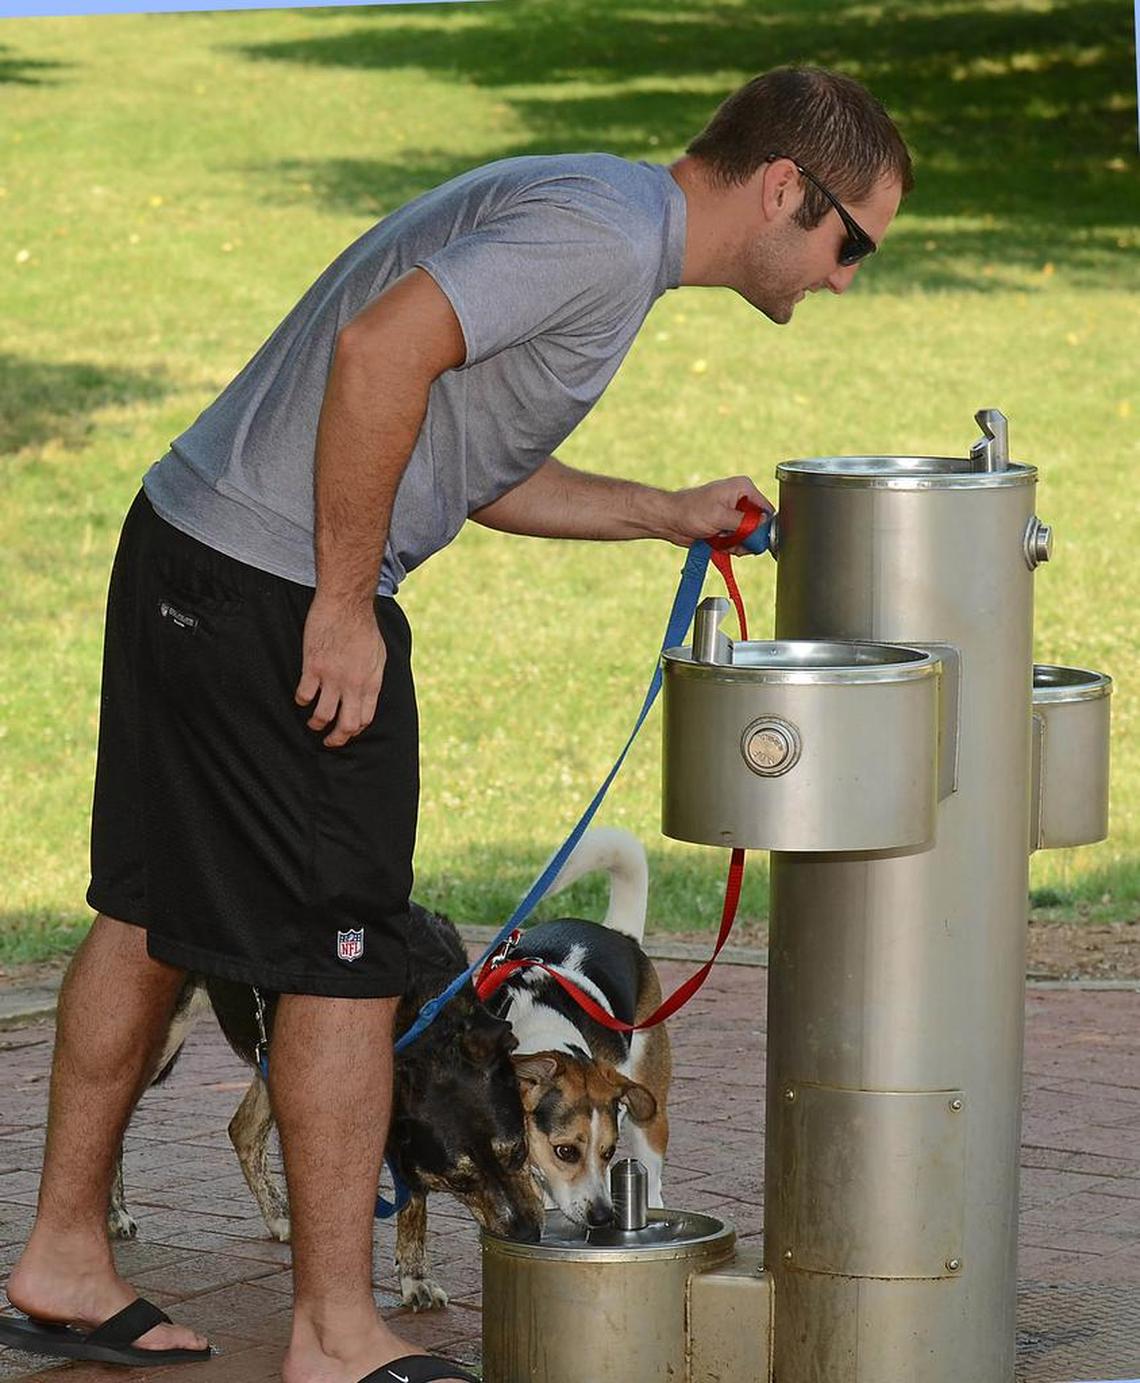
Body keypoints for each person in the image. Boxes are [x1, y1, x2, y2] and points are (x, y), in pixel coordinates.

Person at [2, 63, 912, 1383]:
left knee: (151, 917)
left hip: (192, 547)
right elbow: (383, 354)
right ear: (786, 188)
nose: (844, 276)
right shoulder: (603, 240)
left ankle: (63, 1257)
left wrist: (665, 510)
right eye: (852, 243)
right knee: (344, 956)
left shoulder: (597, 217)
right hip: (275, 584)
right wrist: (339, 605)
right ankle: (333, 1335)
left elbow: (471, 459)